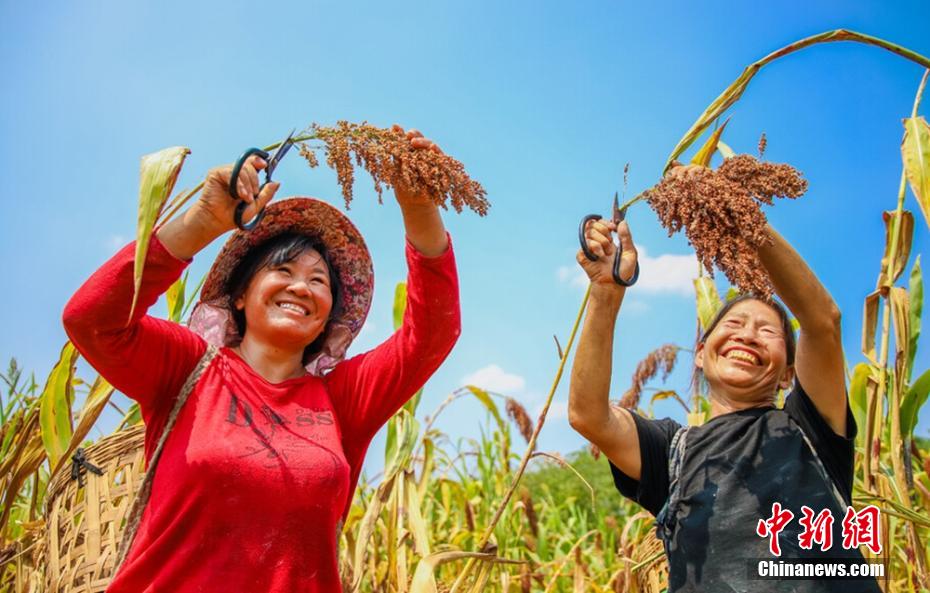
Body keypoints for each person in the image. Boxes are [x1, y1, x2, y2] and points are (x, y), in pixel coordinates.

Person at [62, 126, 461, 592]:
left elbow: (432, 334)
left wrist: (419, 210)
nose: (301, 287)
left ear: (330, 313)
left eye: (319, 282)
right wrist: (203, 222)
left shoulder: (343, 400)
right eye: (283, 270)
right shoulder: (187, 368)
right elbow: (91, 319)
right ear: (239, 295)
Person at [567, 166, 881, 592]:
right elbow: (588, 415)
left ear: (790, 372)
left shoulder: (812, 431)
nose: (748, 334)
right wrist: (606, 292)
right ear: (700, 354)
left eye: (767, 330)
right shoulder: (671, 454)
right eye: (733, 324)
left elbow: (822, 320)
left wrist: (740, 213)